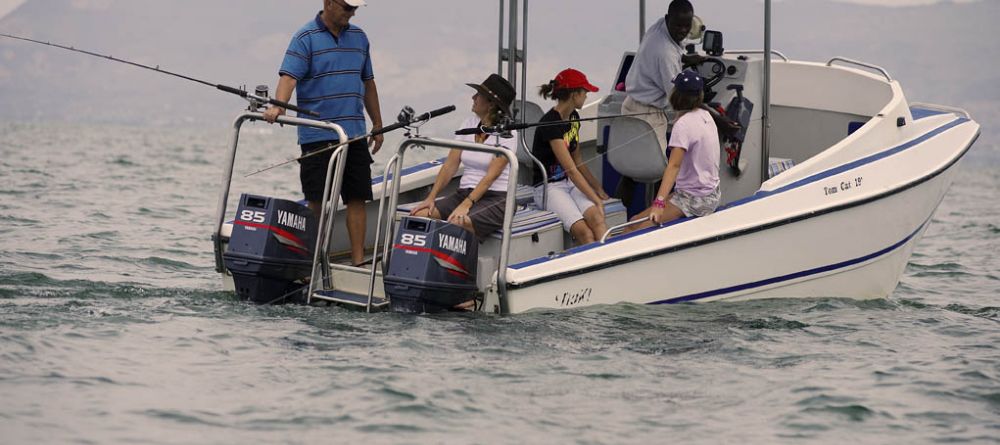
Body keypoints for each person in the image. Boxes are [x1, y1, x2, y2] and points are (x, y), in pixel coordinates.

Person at [262, 0, 383, 267]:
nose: (351, 13)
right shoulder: (305, 37)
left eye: (355, 9)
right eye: (347, 7)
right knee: (316, 201)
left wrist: (377, 125)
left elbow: (368, 83)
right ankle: (310, 261)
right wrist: (277, 107)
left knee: (357, 197)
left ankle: (359, 262)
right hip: (318, 134)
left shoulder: (360, 37)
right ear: (329, 3)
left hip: (354, 134)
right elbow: (288, 78)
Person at [409, 74, 517, 243]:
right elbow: (450, 165)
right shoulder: (468, 123)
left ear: (491, 104)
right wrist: (431, 197)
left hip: (496, 198)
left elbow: (490, 177)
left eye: (478, 94)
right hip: (464, 193)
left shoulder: (507, 132)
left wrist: (466, 205)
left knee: (456, 222)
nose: (473, 97)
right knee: (419, 216)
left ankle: (449, 268)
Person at [627, 70, 720, 232]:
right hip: (709, 194)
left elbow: (674, 166)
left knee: (634, 230)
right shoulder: (706, 115)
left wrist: (658, 205)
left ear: (676, 95)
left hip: (695, 199)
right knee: (634, 220)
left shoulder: (682, 125)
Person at [531, 69, 609, 245]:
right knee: (585, 233)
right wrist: (596, 200)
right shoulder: (549, 123)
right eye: (585, 92)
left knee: (597, 219)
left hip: (569, 184)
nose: (587, 96)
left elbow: (578, 160)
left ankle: (613, 262)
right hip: (549, 188)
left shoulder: (574, 117)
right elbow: (571, 169)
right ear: (575, 94)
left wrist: (598, 188)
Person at [621, 0, 704, 152]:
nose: (683, 30)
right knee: (653, 169)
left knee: (634, 162)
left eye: (687, 26)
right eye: (678, 25)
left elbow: (674, 49)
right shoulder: (665, 54)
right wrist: (718, 118)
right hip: (647, 115)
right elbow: (679, 99)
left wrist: (685, 58)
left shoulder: (660, 27)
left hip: (632, 105)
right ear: (668, 19)